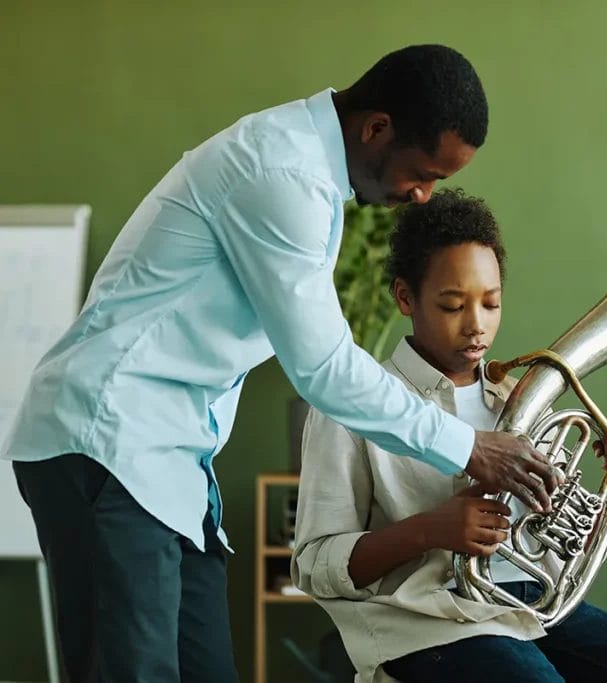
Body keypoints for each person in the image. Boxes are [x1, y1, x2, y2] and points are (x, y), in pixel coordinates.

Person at [2, 45, 560, 682]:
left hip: (168, 464)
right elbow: (323, 367)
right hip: (106, 445)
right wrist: (470, 448)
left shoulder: (303, 171)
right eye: (423, 172)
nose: (423, 195)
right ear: (376, 129)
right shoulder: (282, 174)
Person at [292, 188, 607, 683]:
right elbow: (315, 566)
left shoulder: (520, 399)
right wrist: (432, 529)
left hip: (533, 612)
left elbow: (555, 554)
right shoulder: (355, 407)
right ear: (405, 297)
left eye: (492, 303)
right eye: (453, 305)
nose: (477, 326)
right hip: (427, 622)